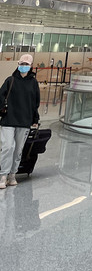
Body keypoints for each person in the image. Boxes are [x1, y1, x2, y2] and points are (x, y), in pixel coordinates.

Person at [0, 53, 40, 188]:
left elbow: (35, 102)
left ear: (31, 66)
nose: (24, 66)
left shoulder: (33, 83)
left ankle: (12, 174)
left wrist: (35, 118)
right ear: (18, 64)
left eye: (26, 64)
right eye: (22, 63)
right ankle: (3, 175)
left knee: (18, 150)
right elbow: (1, 97)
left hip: (24, 121)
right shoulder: (10, 80)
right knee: (7, 147)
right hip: (8, 120)